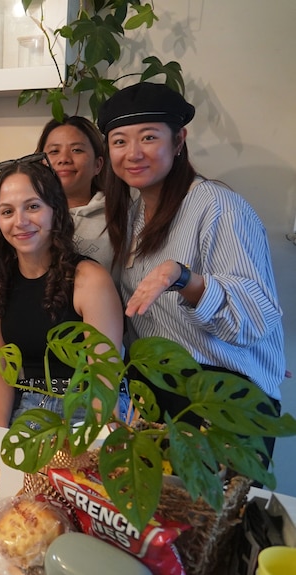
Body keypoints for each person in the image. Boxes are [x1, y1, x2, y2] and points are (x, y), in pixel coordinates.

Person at [98, 82, 285, 453]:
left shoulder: (218, 206)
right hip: (154, 395)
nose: (133, 153)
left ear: (178, 140)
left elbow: (256, 316)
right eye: (120, 141)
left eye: (148, 137)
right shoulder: (133, 215)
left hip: (221, 398)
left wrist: (182, 276)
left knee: (210, 511)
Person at [0, 158, 123, 427]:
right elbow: (0, 373)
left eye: (33, 207)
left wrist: (97, 450)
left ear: (55, 210)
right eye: (7, 212)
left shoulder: (89, 279)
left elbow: (105, 378)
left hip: (87, 408)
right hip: (28, 407)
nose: (20, 222)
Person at [36, 116, 113, 271]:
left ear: (98, 165)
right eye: (54, 151)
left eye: (76, 150)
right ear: (39, 162)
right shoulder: (27, 212)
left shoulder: (118, 214)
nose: (64, 159)